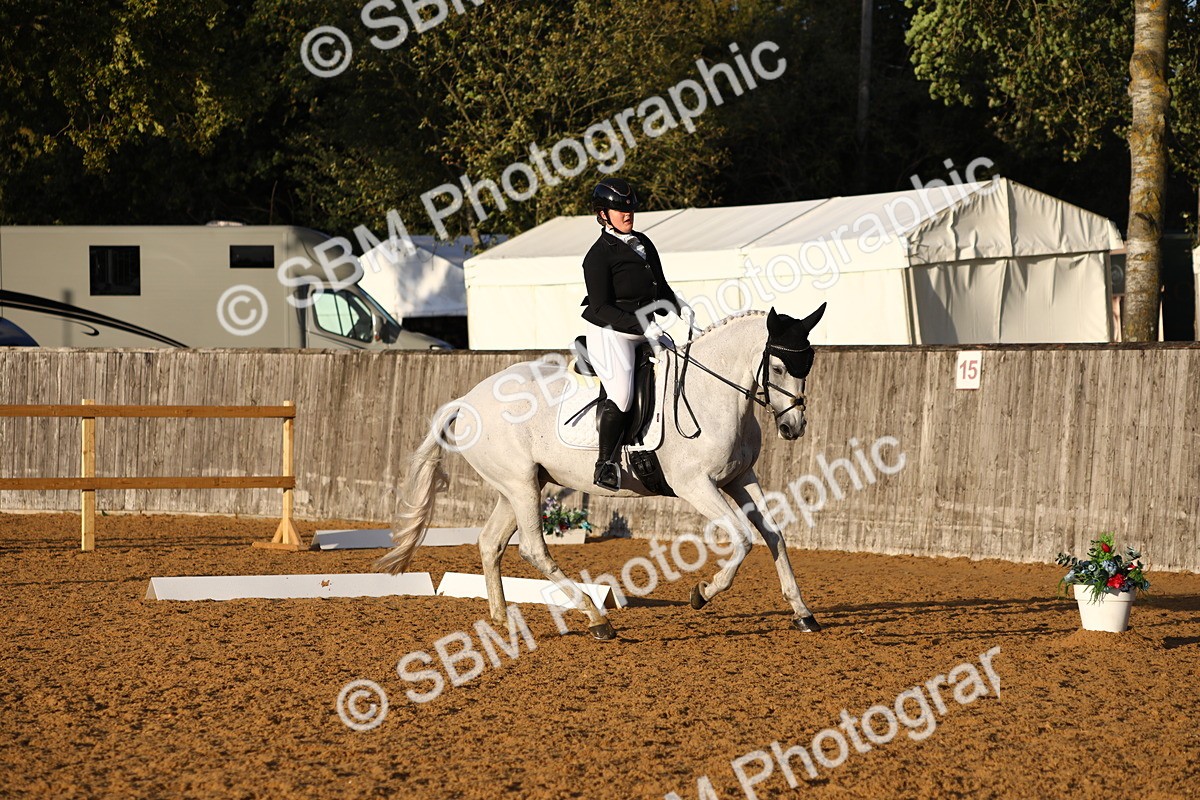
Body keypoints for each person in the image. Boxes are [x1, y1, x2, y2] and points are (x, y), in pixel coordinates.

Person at [580, 177, 694, 491]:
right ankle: (606, 464)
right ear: (602, 214)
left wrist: (676, 305)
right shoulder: (597, 256)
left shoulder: (643, 242)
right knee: (621, 393)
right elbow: (601, 307)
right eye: (619, 210)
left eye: (630, 209)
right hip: (609, 331)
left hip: (647, 327)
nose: (627, 215)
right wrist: (639, 324)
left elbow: (661, 283)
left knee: (679, 368)